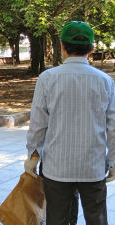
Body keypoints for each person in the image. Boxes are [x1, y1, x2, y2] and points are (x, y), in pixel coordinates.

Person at [24, 21, 115, 225]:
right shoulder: (105, 81)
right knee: (97, 219)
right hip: (93, 167)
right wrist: (114, 161)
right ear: (91, 49)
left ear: (62, 46)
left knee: (57, 220)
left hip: (56, 167)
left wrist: (33, 156)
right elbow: (113, 127)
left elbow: (38, 124)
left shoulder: (47, 78)